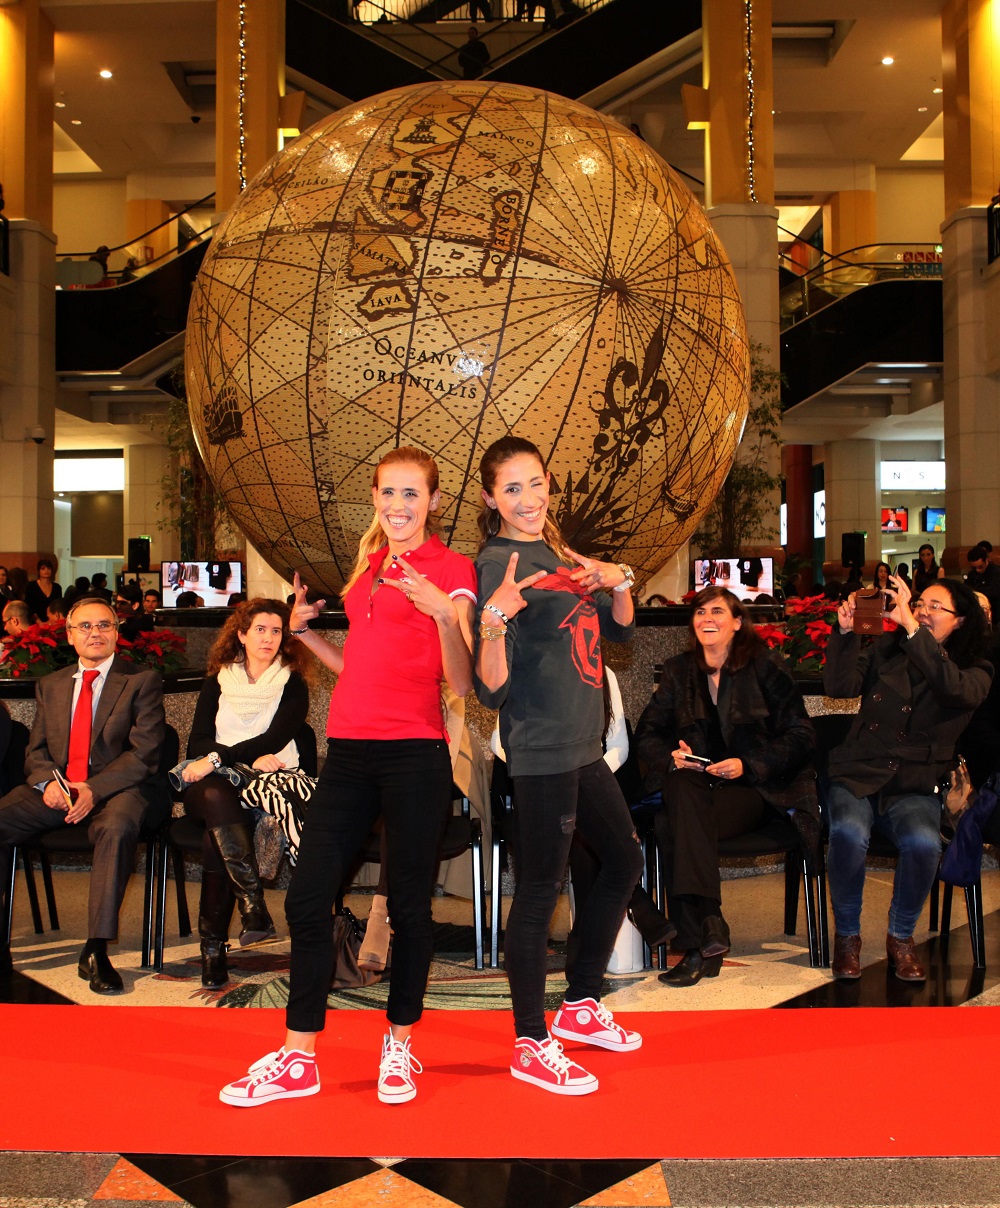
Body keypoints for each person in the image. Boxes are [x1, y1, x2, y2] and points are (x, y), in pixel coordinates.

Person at [219, 447, 476, 1108]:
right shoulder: (371, 564)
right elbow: (359, 666)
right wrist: (305, 635)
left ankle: (400, 1043)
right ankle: (299, 1055)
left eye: (411, 494)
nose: (398, 505)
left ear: (434, 501)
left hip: (415, 753)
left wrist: (443, 614)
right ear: (375, 498)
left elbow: (462, 679)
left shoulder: (452, 569)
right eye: (388, 493)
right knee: (307, 899)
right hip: (350, 752)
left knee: (410, 908)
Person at [474, 435, 643, 1097]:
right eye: (512, 488)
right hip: (542, 749)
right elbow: (490, 689)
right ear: (491, 498)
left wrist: (617, 578)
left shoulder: (557, 551)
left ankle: (579, 1003)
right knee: (540, 894)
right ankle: (529, 1040)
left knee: (623, 861)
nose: (528, 498)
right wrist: (494, 620)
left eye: (536, 482)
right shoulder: (499, 563)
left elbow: (621, 631)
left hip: (584, 745)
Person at [634, 587, 820, 987]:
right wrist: (672, 756)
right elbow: (646, 734)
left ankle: (697, 938)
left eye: (717, 611)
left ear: (737, 622)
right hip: (696, 789)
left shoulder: (766, 667)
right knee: (679, 790)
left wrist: (747, 765)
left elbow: (802, 734)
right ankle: (709, 932)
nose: (707, 619)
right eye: (700, 612)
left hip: (754, 791)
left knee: (671, 823)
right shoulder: (679, 671)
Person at [824, 575, 991, 982]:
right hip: (860, 770)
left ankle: (900, 937)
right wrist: (844, 634)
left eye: (935, 607)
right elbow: (840, 686)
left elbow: (952, 689)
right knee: (847, 833)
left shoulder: (976, 669)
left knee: (923, 844)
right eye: (920, 604)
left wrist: (915, 630)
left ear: (960, 620)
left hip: (915, 782)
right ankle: (847, 937)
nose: (923, 612)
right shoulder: (888, 648)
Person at [0, 597, 170, 990]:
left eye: (104, 625)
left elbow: (144, 753)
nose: (95, 633)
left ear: (116, 632)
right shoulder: (51, 685)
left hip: (119, 789)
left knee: (116, 828)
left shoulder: (141, 681)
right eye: (86, 626)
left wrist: (94, 788)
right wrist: (49, 784)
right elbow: (37, 751)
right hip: (60, 790)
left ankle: (95, 949)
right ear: (70, 635)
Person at [179, 599, 312, 987]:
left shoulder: (293, 683)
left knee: (215, 838)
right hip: (213, 784)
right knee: (217, 798)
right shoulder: (218, 680)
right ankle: (251, 904)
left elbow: (275, 739)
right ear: (241, 634)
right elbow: (197, 741)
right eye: (260, 630)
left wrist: (219, 757)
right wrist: (222, 761)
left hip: (267, 786)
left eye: (276, 631)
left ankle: (214, 947)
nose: (268, 638)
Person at [965, 544, 1000, 624]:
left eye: (980, 567)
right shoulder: (972, 574)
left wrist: (974, 591)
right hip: (977, 616)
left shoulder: (996, 572)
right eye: (974, 568)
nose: (977, 570)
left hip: (995, 615)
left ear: (986, 560)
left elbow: (994, 591)